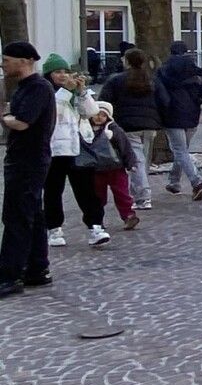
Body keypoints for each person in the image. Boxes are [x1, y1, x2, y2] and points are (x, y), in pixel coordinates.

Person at [0, 42, 56, 296]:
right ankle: (37, 269)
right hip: (24, 158)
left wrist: (6, 117)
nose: (4, 64)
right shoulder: (24, 87)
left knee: (17, 216)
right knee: (32, 213)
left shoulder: (38, 87)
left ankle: (10, 275)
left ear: (24, 61)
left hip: (29, 160)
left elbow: (22, 122)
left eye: (7, 60)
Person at [41, 54, 110, 248]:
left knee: (87, 190)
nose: (63, 75)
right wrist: (66, 91)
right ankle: (54, 228)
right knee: (53, 190)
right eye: (57, 72)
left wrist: (82, 92)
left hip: (79, 147)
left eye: (65, 71)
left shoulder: (73, 93)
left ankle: (96, 226)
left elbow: (91, 112)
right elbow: (52, 111)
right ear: (49, 74)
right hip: (55, 148)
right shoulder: (45, 92)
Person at [155, 41, 202, 200]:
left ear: (171, 52)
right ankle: (174, 182)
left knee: (180, 151)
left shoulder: (162, 72)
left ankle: (197, 183)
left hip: (171, 116)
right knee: (182, 150)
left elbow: (158, 95)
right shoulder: (198, 73)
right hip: (192, 116)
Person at [97, 48, 160, 211]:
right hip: (150, 124)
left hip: (128, 125)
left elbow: (103, 102)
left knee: (136, 161)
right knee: (143, 160)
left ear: (127, 61)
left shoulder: (116, 80)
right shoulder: (151, 79)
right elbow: (163, 99)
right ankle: (139, 193)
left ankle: (143, 196)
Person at [87, 102, 138, 230]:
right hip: (96, 169)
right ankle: (97, 220)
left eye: (103, 115)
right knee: (97, 196)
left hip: (116, 168)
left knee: (122, 193)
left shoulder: (114, 130)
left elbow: (125, 147)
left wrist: (130, 163)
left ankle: (128, 215)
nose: (99, 117)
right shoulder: (86, 129)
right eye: (97, 114)